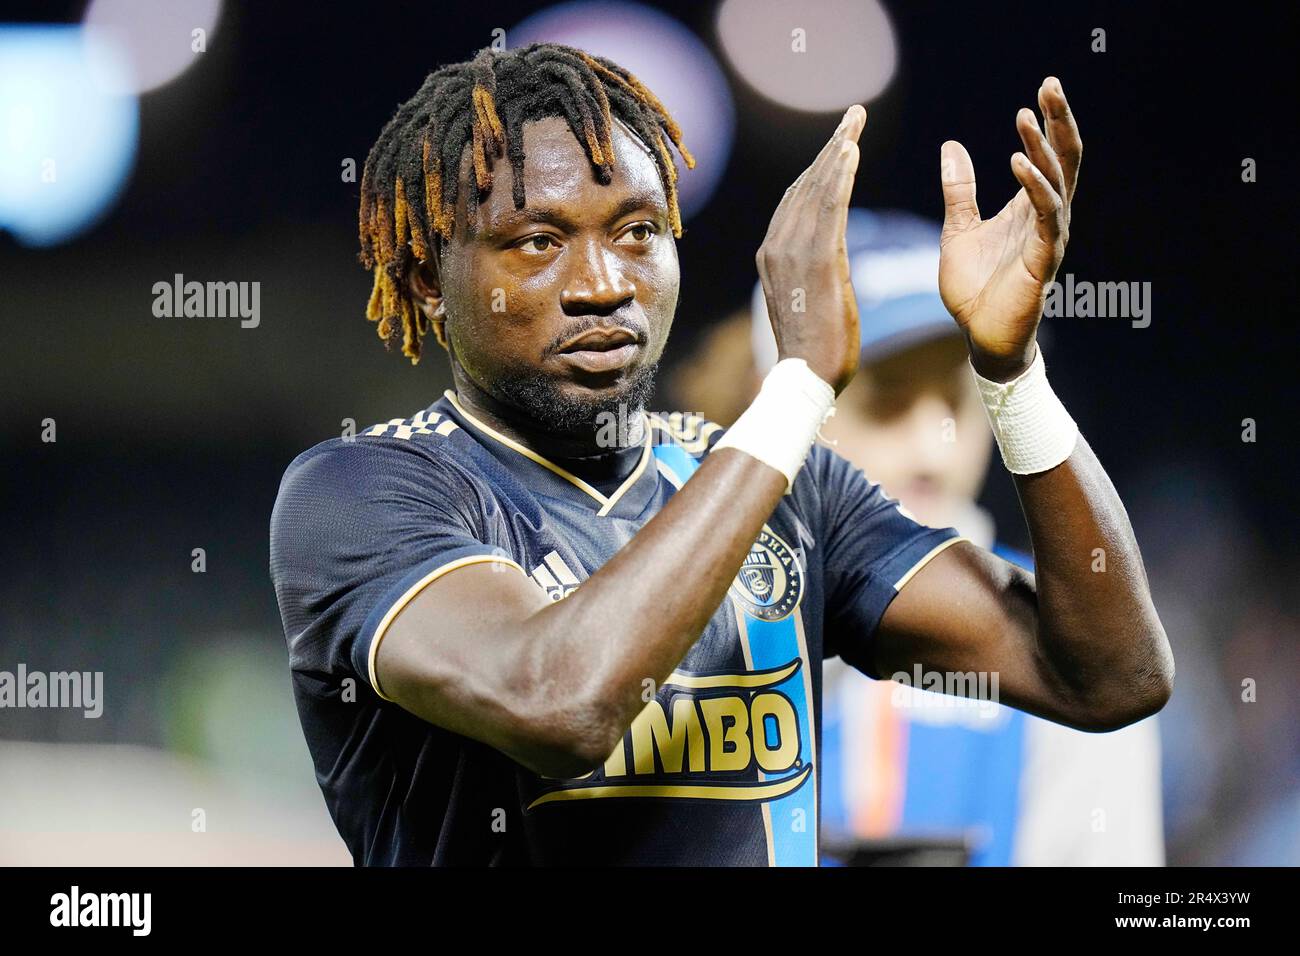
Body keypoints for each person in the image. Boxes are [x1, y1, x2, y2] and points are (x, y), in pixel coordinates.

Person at [268, 42, 1172, 865]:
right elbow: (558, 702)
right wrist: (796, 392)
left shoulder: (799, 493)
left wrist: (1011, 377)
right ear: (428, 279)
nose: (602, 284)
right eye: (538, 242)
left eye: (636, 233)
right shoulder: (363, 494)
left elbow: (1108, 678)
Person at [740, 209, 1164, 866]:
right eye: (886, 400)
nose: (931, 452)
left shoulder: (1076, 631)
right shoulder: (701, 612)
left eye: (958, 397)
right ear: (786, 405)